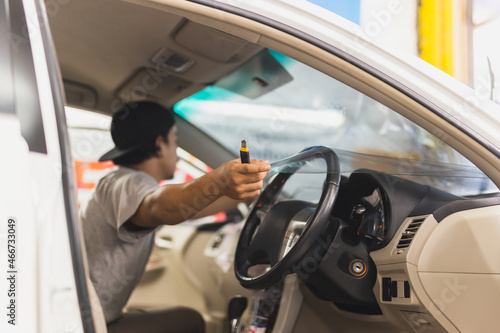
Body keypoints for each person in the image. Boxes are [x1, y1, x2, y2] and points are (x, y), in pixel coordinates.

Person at [79, 101, 270, 333]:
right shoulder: (127, 183)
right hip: (87, 325)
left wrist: (248, 190)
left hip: (95, 319)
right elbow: (158, 207)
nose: (178, 155)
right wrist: (219, 179)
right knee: (189, 322)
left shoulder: (119, 182)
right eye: (176, 142)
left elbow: (193, 207)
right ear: (160, 144)